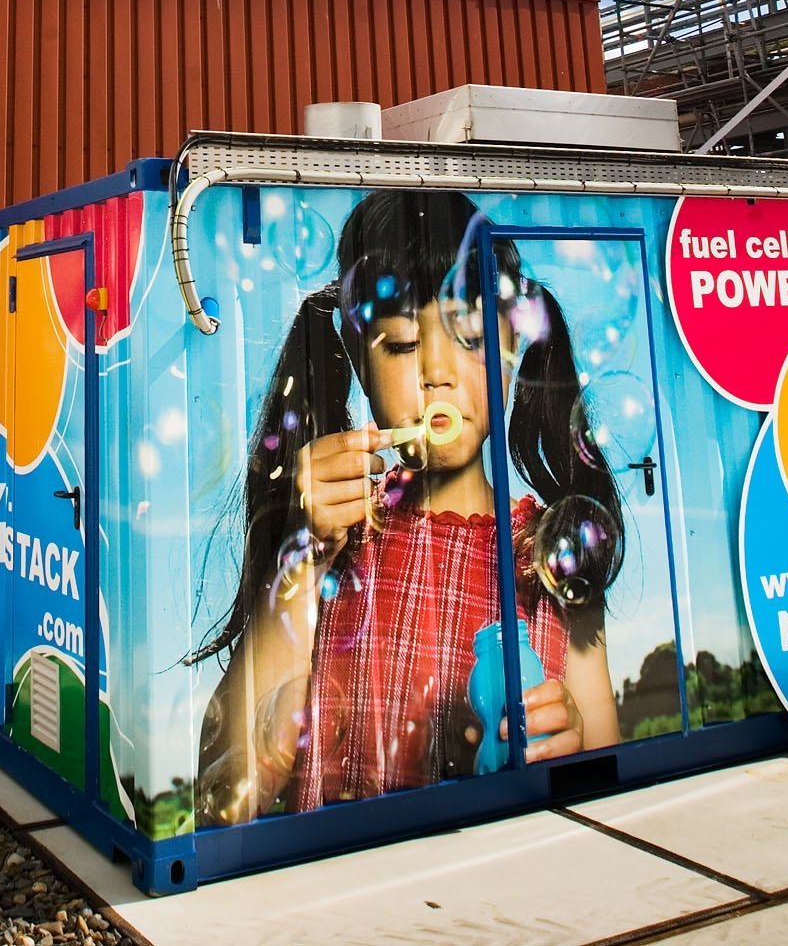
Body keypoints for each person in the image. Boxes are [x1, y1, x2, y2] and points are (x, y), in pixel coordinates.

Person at [192, 189, 623, 826]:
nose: (436, 373)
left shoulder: (552, 552)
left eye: (471, 336)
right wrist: (306, 551)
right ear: (354, 355)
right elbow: (226, 793)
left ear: (515, 344)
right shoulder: (339, 533)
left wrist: (572, 735)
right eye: (399, 344)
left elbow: (606, 776)